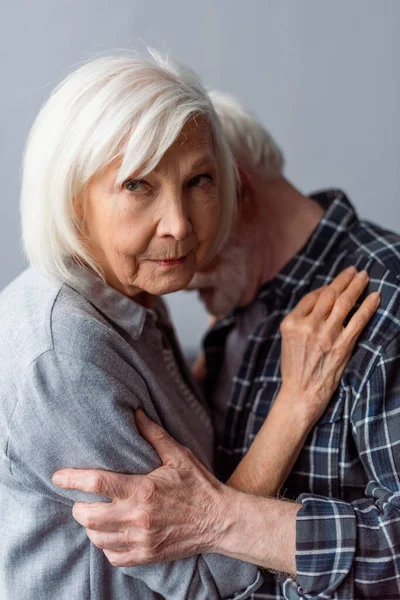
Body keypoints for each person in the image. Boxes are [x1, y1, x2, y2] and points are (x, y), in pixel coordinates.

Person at [0, 54, 377, 600]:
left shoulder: (132, 291)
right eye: (137, 186)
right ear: (73, 196)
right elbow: (203, 579)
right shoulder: (66, 356)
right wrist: (296, 404)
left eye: (198, 180)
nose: (178, 224)